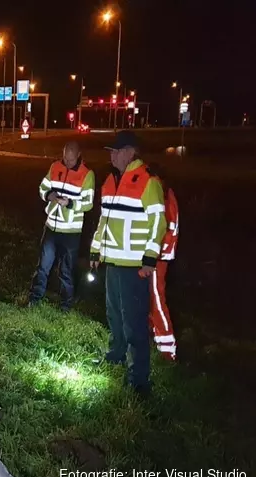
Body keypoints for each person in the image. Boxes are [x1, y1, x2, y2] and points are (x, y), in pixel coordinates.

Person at [90, 131, 167, 396]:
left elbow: (159, 222)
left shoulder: (147, 181)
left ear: (129, 152)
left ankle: (139, 380)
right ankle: (116, 355)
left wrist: (149, 260)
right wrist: (95, 251)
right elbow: (104, 221)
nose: (111, 155)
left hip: (135, 266)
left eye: (115, 150)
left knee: (133, 321)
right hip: (113, 261)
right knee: (114, 314)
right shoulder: (110, 181)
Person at [29, 141, 95, 311]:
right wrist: (49, 195)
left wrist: (70, 203)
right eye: (65, 158)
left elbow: (88, 203)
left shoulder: (87, 175)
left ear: (78, 155)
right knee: (43, 266)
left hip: (71, 232)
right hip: (51, 227)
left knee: (66, 270)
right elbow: (42, 187)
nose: (67, 162)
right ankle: (34, 299)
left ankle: (66, 305)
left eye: (71, 160)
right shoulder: (55, 167)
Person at [150, 178, 179, 361]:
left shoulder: (164, 197)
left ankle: (167, 349)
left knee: (156, 300)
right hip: (158, 255)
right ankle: (155, 338)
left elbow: (164, 228)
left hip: (157, 257)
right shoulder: (167, 195)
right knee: (150, 299)